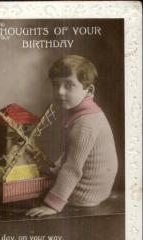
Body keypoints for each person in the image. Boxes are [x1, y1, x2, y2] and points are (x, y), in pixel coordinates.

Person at [26, 55, 118, 217]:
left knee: (28, 192)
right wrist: (58, 164)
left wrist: (53, 206)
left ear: (89, 90)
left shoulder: (85, 123)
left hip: (84, 194)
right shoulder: (85, 112)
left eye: (69, 85)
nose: (60, 92)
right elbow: (74, 151)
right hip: (97, 190)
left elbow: (73, 168)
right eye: (56, 85)